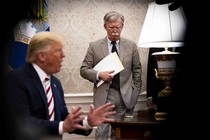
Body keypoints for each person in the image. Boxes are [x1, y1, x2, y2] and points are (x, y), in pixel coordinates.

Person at [6, 31, 116, 140]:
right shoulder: (16, 80)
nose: (63, 55)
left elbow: (63, 117)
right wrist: (62, 126)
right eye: (58, 50)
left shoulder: (55, 83)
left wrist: (88, 122)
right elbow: (22, 122)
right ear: (42, 56)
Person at [80, 11, 142, 140]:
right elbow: (84, 69)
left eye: (118, 27)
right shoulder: (94, 46)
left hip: (125, 96)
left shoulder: (131, 45)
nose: (115, 30)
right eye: (111, 27)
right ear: (105, 27)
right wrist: (99, 74)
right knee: (101, 132)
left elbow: (137, 70)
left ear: (122, 27)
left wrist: (135, 93)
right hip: (104, 95)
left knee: (119, 133)